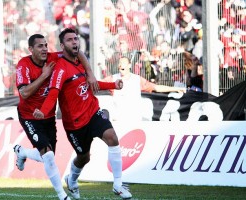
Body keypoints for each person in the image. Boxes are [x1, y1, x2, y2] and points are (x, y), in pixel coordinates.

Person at [33, 28, 132, 200]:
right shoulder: (60, 69)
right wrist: (43, 111)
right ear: (62, 45)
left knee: (112, 137)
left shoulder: (80, 60)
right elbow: (53, 93)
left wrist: (113, 85)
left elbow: (91, 84)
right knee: (83, 157)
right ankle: (72, 179)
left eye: (76, 39)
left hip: (93, 112)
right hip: (75, 124)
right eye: (70, 40)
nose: (75, 42)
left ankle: (118, 184)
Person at [14, 33, 98, 200]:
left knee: (47, 155)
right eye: (40, 46)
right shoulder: (23, 65)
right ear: (31, 49)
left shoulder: (53, 57)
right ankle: (62, 196)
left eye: (46, 45)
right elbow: (23, 93)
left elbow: (77, 52)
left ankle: (22, 152)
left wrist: (90, 73)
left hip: (48, 116)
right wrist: (44, 76)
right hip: (29, 116)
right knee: (48, 155)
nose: (45, 49)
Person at [103, 56, 186, 121]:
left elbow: (156, 88)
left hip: (134, 120)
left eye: (123, 63)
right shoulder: (112, 79)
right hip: (118, 120)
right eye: (119, 63)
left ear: (129, 65)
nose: (120, 65)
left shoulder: (137, 80)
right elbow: (97, 84)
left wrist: (174, 88)